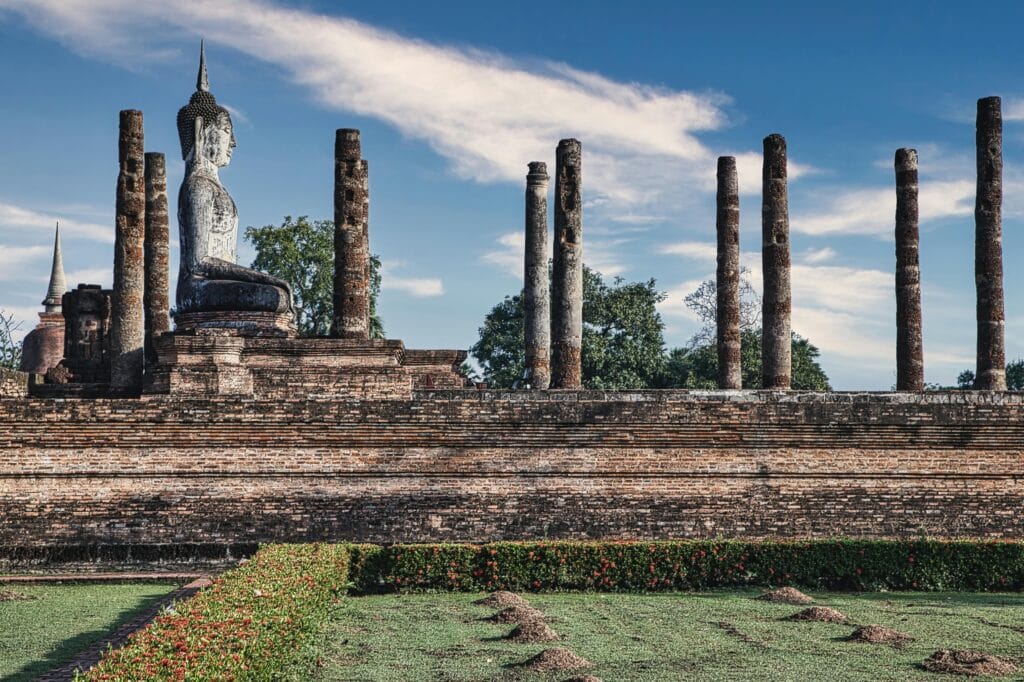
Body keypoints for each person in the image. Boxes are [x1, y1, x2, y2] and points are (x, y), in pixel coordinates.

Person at [175, 42, 293, 317]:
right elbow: (199, 262)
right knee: (273, 295)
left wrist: (255, 276)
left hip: (218, 285)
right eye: (227, 130)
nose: (234, 142)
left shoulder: (214, 186)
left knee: (278, 297)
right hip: (198, 288)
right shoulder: (198, 187)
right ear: (202, 131)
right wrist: (262, 278)